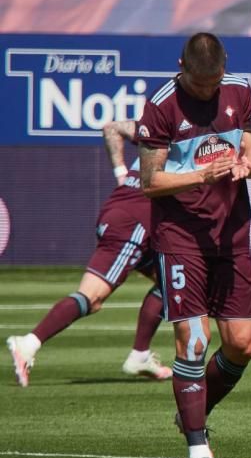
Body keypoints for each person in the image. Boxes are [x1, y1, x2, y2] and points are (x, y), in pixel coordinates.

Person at [136, 32, 251, 458]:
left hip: (230, 235)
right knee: (193, 341)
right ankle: (198, 451)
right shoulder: (162, 105)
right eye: (200, 83)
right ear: (182, 67)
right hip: (181, 236)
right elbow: (149, 182)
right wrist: (200, 175)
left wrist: (247, 165)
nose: (209, 91)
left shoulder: (239, 90)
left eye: (214, 82)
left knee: (242, 345)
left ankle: (191, 408)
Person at [6, 121, 172, 387]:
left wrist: (121, 176)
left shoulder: (156, 127)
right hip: (134, 225)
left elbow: (111, 128)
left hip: (123, 214)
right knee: (92, 299)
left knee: (170, 281)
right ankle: (28, 343)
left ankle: (139, 355)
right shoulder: (186, 135)